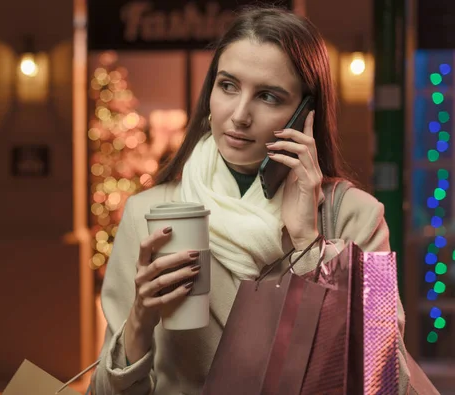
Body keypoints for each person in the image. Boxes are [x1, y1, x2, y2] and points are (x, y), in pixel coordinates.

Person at [90, 6, 408, 395]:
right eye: (228, 86)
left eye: (268, 96)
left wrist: (311, 245)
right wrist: (139, 322)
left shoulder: (357, 217)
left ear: (305, 113)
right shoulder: (148, 213)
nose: (239, 115)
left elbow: (387, 379)